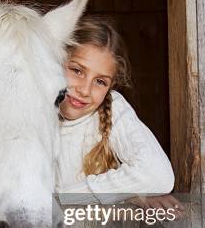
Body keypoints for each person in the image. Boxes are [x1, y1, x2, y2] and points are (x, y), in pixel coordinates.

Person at [57, 16, 180, 211]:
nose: (85, 90)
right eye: (77, 71)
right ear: (56, 61)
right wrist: (127, 194)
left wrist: (61, 200)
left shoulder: (111, 106)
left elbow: (158, 175)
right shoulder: (31, 111)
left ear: (111, 86)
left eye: (100, 82)